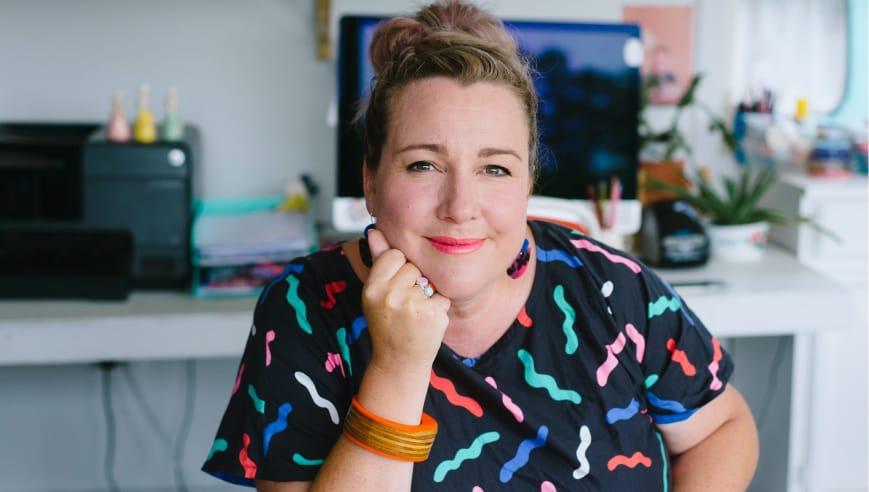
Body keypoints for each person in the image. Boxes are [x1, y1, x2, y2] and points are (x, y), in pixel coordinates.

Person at [202, 1, 759, 490]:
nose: (460, 205)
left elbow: (722, 429)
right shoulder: (303, 309)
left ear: (528, 184)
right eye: (423, 164)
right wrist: (399, 365)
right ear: (370, 179)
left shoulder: (614, 288)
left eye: (494, 168)